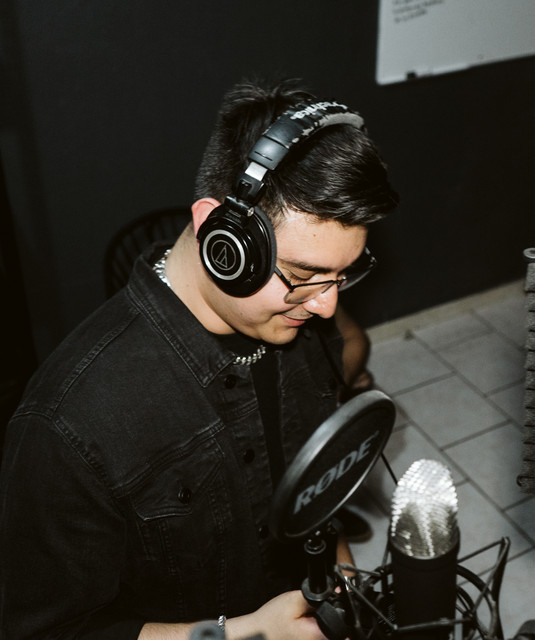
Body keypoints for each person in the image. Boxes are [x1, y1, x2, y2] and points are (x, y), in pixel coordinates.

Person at [0, 79, 398, 639]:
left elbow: (312, 488)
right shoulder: (65, 426)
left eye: (342, 275)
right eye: (303, 275)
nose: (327, 305)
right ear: (222, 237)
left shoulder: (300, 323)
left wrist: (337, 573)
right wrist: (243, 635)